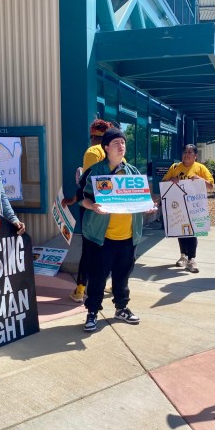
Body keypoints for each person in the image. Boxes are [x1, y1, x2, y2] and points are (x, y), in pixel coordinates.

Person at [80, 127, 152, 331]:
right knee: (97, 277)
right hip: (102, 237)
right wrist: (92, 206)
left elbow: (140, 201)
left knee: (122, 276)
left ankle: (121, 308)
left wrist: (148, 207)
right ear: (106, 148)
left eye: (123, 142)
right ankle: (92, 311)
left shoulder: (133, 173)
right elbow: (82, 198)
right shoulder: (96, 172)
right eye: (116, 143)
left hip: (128, 237)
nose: (121, 146)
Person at [65, 119, 113, 303]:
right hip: (111, 208)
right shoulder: (117, 154)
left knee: (89, 248)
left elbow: (87, 183)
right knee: (108, 246)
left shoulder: (92, 152)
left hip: (92, 206)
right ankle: (105, 283)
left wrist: (72, 199)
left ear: (92, 135)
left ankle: (80, 289)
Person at [162, 143, 214, 273]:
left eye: (190, 152)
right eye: (185, 151)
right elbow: (163, 184)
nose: (187, 154)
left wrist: (200, 180)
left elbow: (210, 186)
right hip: (179, 206)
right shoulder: (175, 167)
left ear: (196, 156)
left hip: (194, 205)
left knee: (192, 232)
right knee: (181, 232)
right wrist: (171, 180)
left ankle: (192, 259)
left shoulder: (200, 168)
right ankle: (183, 256)